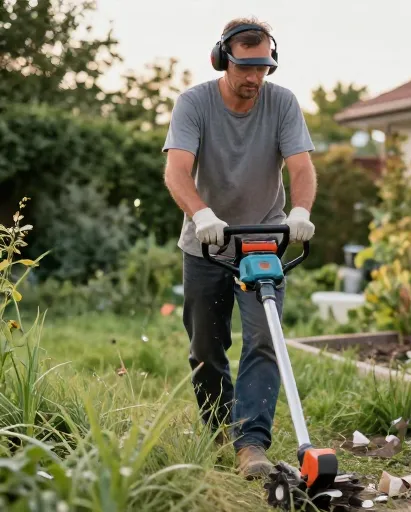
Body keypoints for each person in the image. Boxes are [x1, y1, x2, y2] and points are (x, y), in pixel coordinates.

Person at [161, 17, 317, 479]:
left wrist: (302, 212)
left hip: (263, 238)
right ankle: (218, 432)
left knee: (263, 340)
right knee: (206, 350)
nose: (254, 77)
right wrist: (202, 214)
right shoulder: (194, 103)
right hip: (206, 241)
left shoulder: (282, 102)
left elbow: (302, 168)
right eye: (245, 66)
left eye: (263, 66)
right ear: (222, 59)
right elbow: (176, 172)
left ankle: (251, 444)